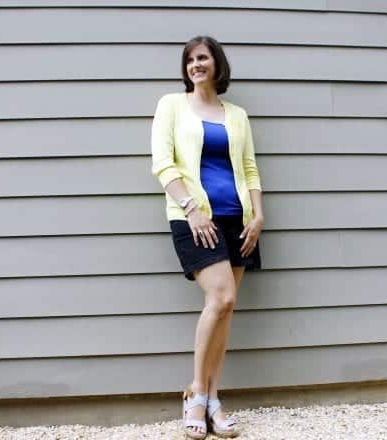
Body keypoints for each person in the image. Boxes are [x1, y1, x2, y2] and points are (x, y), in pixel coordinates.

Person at [151, 35, 264, 439]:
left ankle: (214, 399)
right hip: (195, 219)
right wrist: (191, 209)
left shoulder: (237, 115)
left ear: (217, 64)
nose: (196, 65)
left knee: (227, 309)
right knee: (222, 297)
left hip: (240, 220)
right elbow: (163, 163)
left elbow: (249, 169)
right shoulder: (171, 105)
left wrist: (259, 214)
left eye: (203, 58)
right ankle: (196, 394)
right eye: (190, 60)